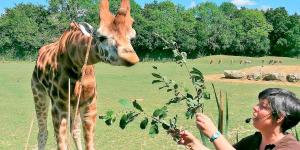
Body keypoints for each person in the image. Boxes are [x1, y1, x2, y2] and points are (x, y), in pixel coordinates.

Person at [179, 88, 300, 150]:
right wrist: (193, 143)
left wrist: (214, 134)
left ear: (279, 117)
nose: (255, 107)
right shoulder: (254, 140)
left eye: (263, 106)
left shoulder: (291, 147)